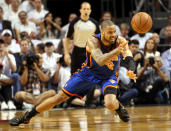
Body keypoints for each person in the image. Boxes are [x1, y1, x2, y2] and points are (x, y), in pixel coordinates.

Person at [9, 20, 137, 126]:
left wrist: (131, 69)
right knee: (59, 98)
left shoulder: (119, 41)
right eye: (110, 32)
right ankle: (27, 116)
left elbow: (129, 57)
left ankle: (119, 108)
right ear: (102, 32)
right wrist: (116, 52)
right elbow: (100, 60)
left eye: (114, 31)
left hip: (108, 76)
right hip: (87, 73)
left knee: (109, 103)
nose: (114, 35)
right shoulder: (93, 41)